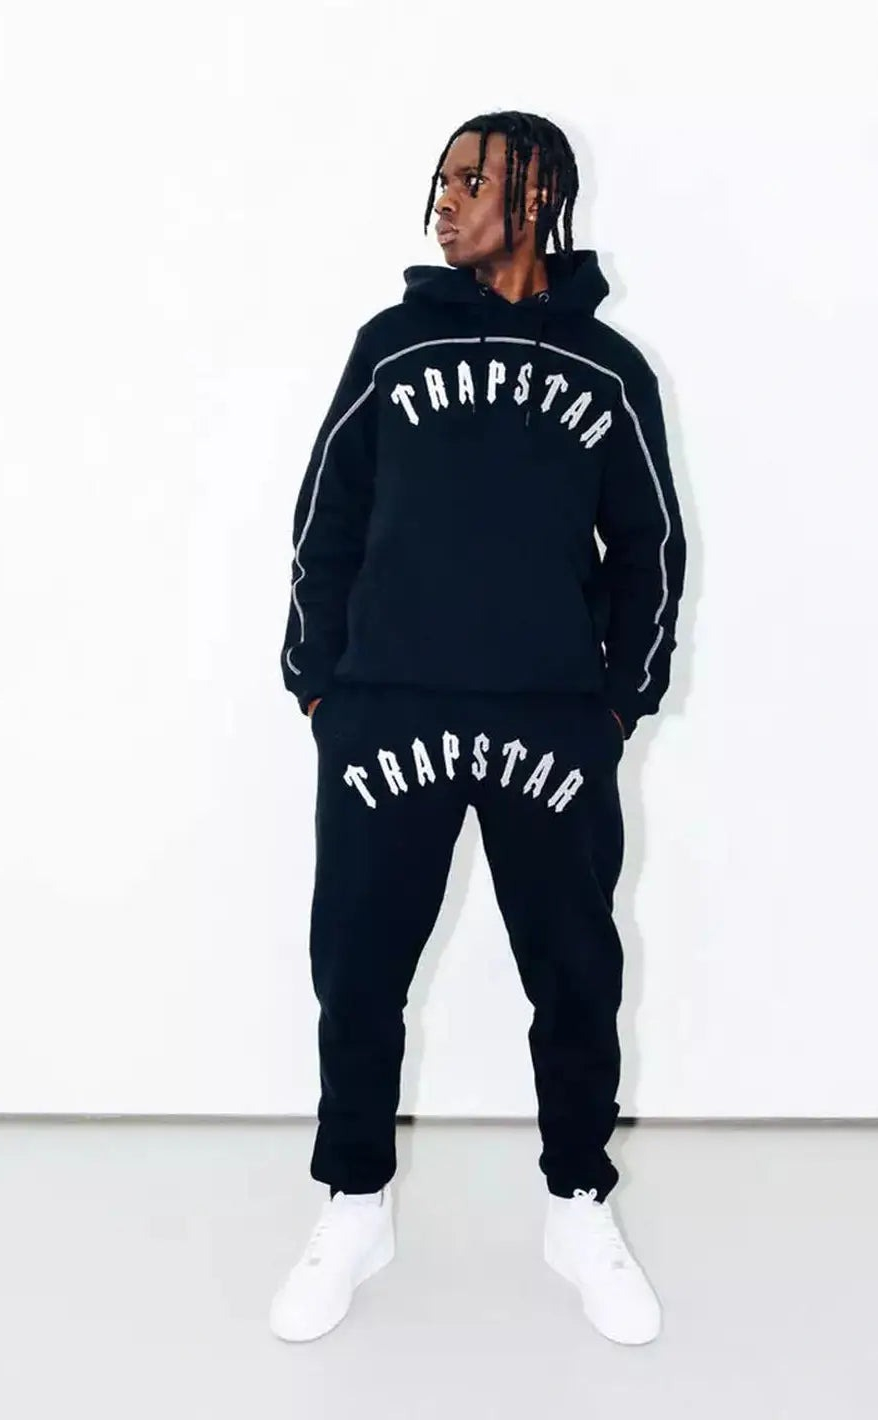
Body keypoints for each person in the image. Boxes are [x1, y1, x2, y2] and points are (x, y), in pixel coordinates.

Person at [269, 110, 686, 1347]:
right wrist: (319, 685)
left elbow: (649, 549)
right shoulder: (392, 348)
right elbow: (326, 518)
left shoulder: (606, 369)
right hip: (387, 710)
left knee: (574, 971)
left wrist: (618, 701)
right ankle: (354, 1203)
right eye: (440, 181)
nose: (444, 202)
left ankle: (577, 1204)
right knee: (357, 968)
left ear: (538, 197)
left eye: (471, 180)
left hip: (550, 725)